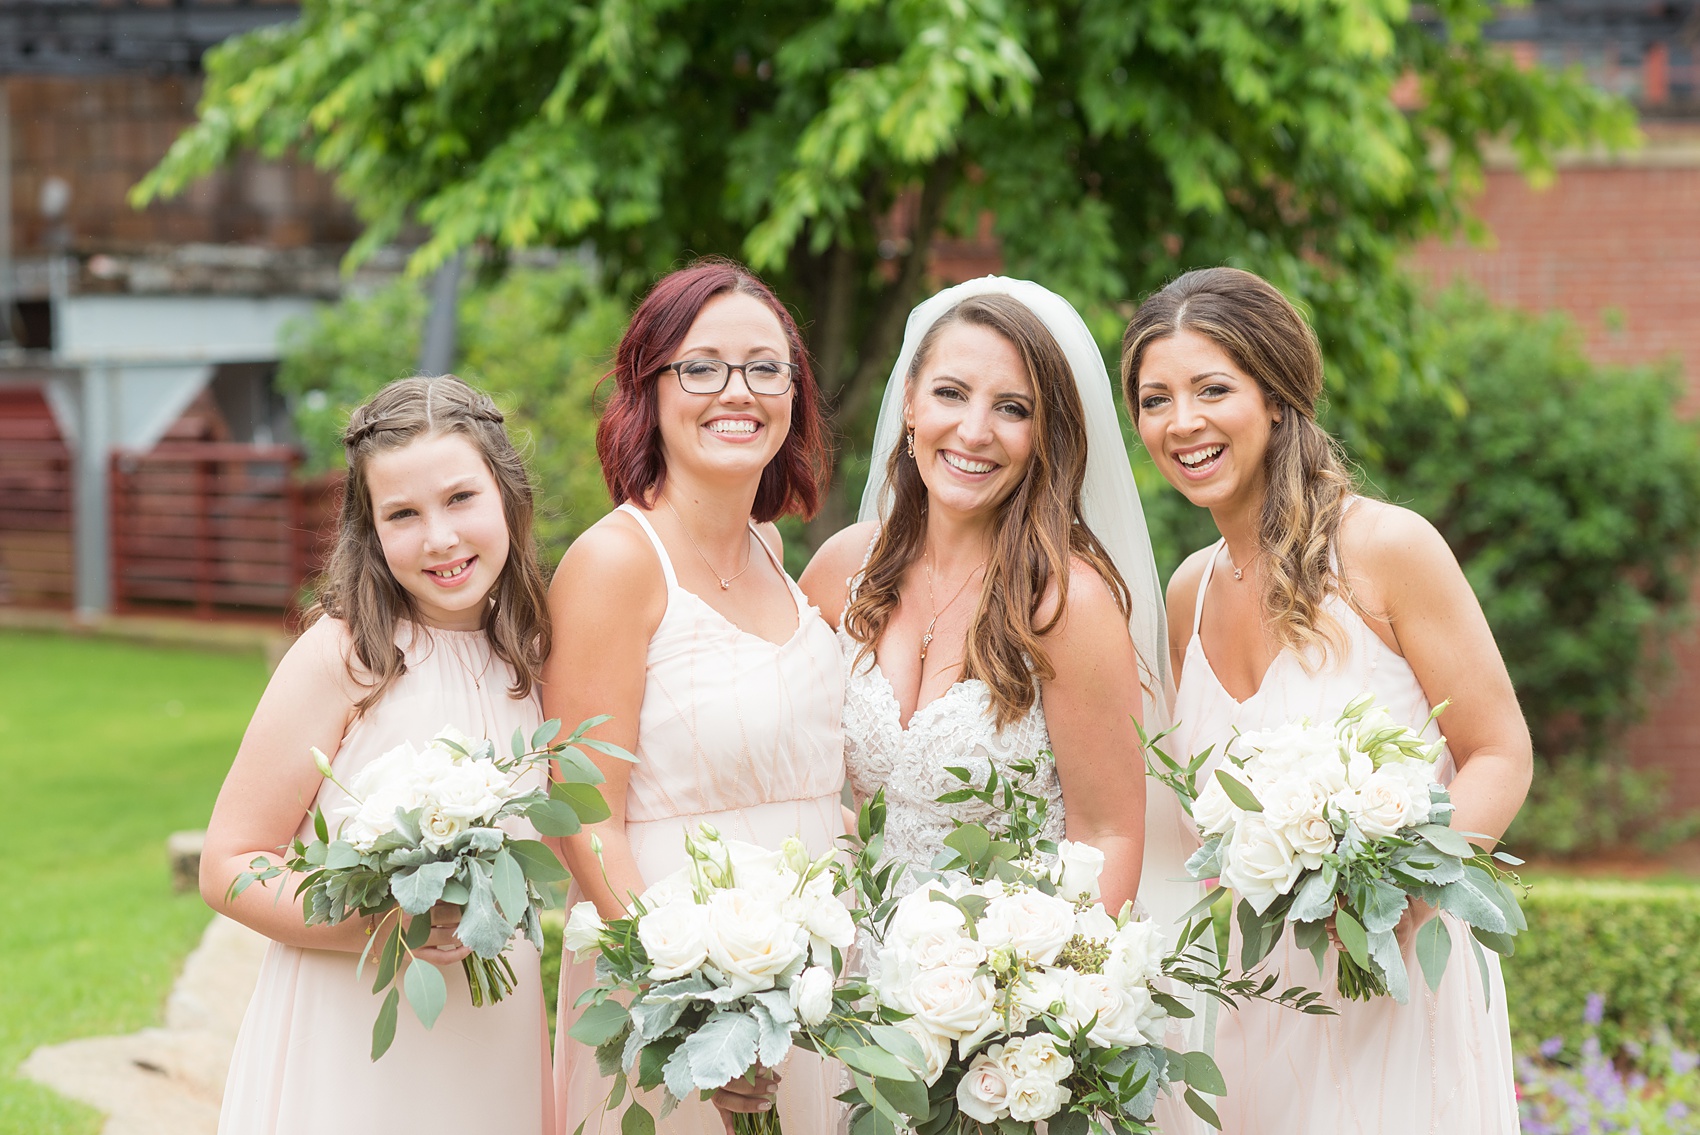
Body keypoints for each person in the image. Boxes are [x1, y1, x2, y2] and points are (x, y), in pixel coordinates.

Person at [1122, 266, 1530, 1133]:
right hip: (1250, 998)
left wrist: (1404, 889)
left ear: (1275, 398)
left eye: (1211, 389)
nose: (1181, 421)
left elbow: (1501, 750)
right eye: (1155, 399)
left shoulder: (1386, 547)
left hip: (1390, 984)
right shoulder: (1188, 593)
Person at [800, 277, 1201, 1132]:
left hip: (991, 1030)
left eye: (1012, 407)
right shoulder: (842, 570)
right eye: (950, 393)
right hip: (838, 1007)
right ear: (909, 404)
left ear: (1043, 435)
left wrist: (1028, 1027)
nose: (974, 431)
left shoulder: (1067, 602)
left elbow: (1109, 834)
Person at [203, 376, 556, 1134]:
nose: (440, 538)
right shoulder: (344, 657)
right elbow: (229, 862)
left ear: (507, 495)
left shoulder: (537, 655)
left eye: (461, 498)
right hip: (354, 1039)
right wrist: (385, 921)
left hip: (492, 1036)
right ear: (371, 529)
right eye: (403, 514)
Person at [548, 258, 844, 1135]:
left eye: (764, 367)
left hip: (811, 978)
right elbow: (581, 816)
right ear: (651, 387)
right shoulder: (616, 563)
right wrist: (696, 1008)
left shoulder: (772, 553)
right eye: (702, 366)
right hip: (679, 988)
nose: (736, 391)